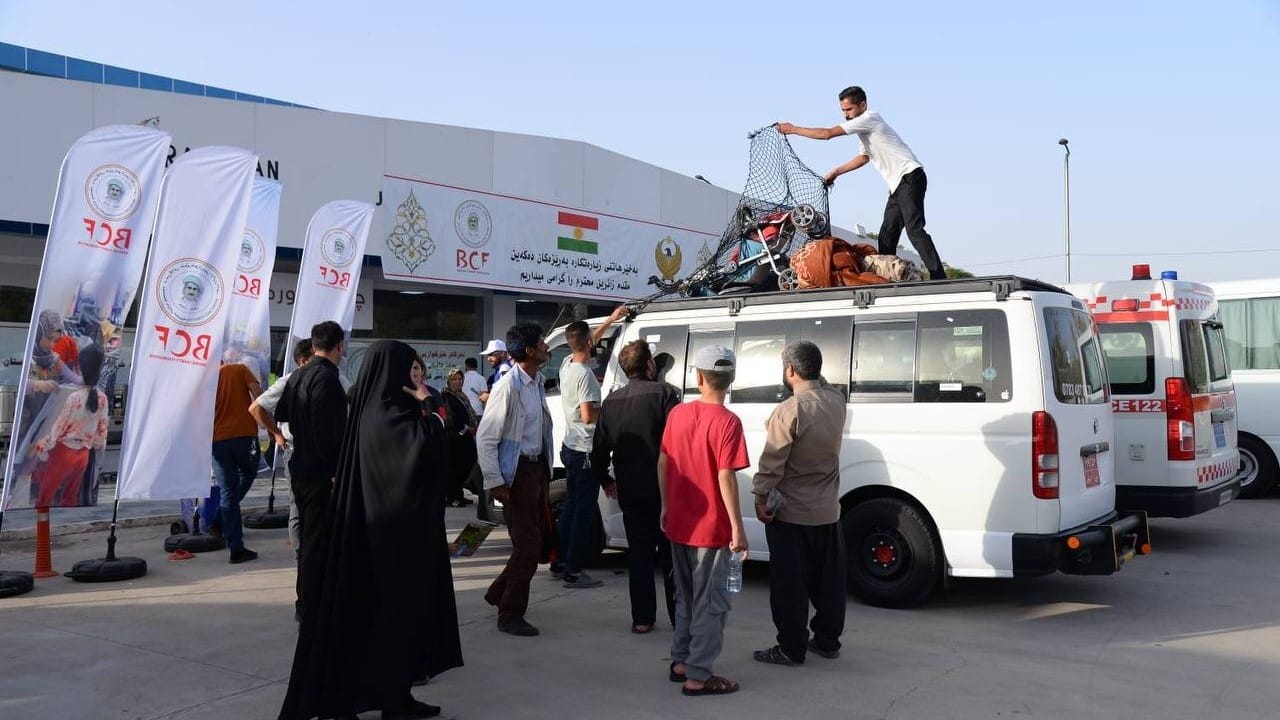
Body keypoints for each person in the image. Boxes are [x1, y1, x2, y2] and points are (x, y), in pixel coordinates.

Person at [278, 340, 460, 720]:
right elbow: (426, 449)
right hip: (387, 548)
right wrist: (430, 406)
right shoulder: (389, 417)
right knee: (386, 626)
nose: (415, 377)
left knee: (390, 628)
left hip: (379, 543)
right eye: (408, 369)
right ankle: (380, 701)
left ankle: (398, 698)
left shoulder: (375, 412)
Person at [778, 85, 946, 280]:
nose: (846, 115)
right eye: (843, 111)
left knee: (914, 229)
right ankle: (887, 275)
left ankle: (938, 275)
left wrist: (793, 129)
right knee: (887, 234)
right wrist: (836, 172)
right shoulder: (863, 130)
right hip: (898, 185)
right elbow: (864, 158)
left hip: (909, 176)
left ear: (863, 105)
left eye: (849, 110)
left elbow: (827, 134)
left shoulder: (869, 118)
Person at [750, 341, 848, 666]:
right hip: (827, 510)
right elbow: (826, 386)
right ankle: (828, 640)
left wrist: (760, 496)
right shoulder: (837, 402)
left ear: (790, 370)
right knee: (828, 581)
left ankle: (791, 647)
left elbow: (772, 463)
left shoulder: (790, 410)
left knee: (790, 586)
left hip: (792, 513)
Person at [660, 345, 749, 697]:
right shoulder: (728, 422)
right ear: (730, 380)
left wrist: (666, 506)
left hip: (679, 523)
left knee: (685, 595)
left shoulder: (678, 415)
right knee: (712, 603)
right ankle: (698, 675)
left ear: (698, 378)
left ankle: (681, 660)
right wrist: (738, 527)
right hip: (711, 529)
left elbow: (664, 463)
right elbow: (726, 476)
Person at [591, 339, 680, 633]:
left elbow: (599, 450)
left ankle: (642, 619)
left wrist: (606, 479)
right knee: (671, 557)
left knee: (639, 555)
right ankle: (680, 618)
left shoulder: (611, 402)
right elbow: (678, 444)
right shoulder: (666, 394)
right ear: (650, 365)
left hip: (630, 488)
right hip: (665, 489)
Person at [476, 323, 553, 637]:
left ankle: (498, 593)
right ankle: (509, 613)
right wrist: (496, 481)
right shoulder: (508, 385)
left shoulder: (536, 382)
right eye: (542, 343)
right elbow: (486, 438)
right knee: (528, 548)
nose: (548, 346)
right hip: (516, 475)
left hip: (537, 471)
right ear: (531, 351)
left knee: (531, 544)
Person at [275, 321, 348, 620]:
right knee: (318, 542)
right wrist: (333, 471)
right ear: (339, 346)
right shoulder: (327, 379)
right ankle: (311, 604)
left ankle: (307, 599)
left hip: (299, 467)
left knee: (309, 539)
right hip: (320, 474)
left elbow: (281, 413)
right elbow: (324, 430)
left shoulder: (297, 376)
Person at [553, 305, 628, 588]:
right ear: (586, 343)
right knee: (583, 512)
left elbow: (588, 340)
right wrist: (610, 411)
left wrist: (611, 319)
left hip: (569, 447)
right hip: (585, 449)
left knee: (571, 507)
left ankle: (560, 561)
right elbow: (588, 415)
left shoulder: (567, 364)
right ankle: (573, 569)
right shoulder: (584, 375)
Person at [248, 339, 313, 572]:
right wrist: (276, 434)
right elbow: (256, 408)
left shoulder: (333, 377)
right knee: (297, 505)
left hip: (327, 451)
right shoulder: (289, 382)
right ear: (304, 360)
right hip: (296, 449)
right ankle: (300, 557)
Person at [31, 344, 106, 508]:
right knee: (69, 498)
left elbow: (59, 427)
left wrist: (44, 444)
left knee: (45, 497)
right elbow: (101, 433)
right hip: (84, 455)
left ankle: (43, 530)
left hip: (64, 452)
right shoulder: (102, 398)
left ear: (80, 367)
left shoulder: (74, 398)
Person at [211, 355, 264, 564]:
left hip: (217, 441)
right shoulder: (239, 369)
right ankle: (220, 521)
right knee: (249, 473)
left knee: (228, 491)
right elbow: (258, 395)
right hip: (244, 438)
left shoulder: (205, 381)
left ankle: (234, 544)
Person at [441, 368, 478, 507]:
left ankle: (459, 494)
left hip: (465, 437)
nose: (457, 382)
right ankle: (452, 497)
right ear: (449, 381)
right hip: (454, 437)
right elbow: (450, 418)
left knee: (467, 462)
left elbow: (469, 412)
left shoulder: (461, 396)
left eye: (459, 379)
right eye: (454, 379)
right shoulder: (446, 396)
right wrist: (467, 428)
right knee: (455, 467)